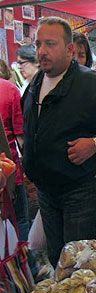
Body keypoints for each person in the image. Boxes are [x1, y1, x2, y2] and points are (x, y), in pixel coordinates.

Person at [22, 17, 96, 267]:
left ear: (69, 49)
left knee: (81, 263)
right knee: (57, 259)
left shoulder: (92, 84)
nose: (42, 51)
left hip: (83, 190)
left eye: (50, 44)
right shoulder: (36, 83)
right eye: (38, 44)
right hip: (48, 191)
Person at [0, 77, 28, 241]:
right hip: (9, 175)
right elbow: (21, 137)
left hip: (8, 175)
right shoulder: (9, 89)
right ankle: (26, 264)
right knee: (20, 222)